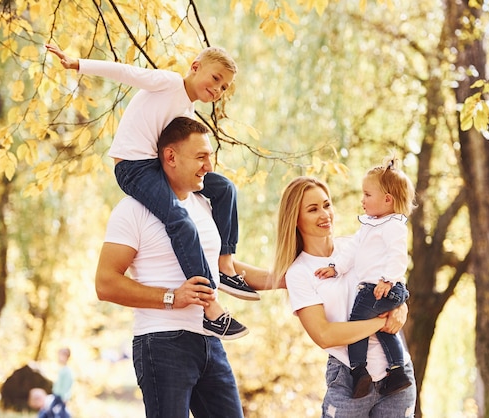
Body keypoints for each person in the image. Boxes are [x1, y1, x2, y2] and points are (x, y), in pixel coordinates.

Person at [46, 43, 259, 339]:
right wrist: (78, 63)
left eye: (224, 87)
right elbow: (126, 72)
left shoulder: (188, 111)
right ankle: (211, 308)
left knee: (224, 188)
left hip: (158, 167)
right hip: (134, 168)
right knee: (179, 221)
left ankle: (224, 264)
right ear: (195, 66)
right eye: (215, 79)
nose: (218, 89)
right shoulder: (170, 83)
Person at [94, 117, 272, 417]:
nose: (209, 166)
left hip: (209, 341)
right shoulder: (132, 210)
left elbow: (222, 269)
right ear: (171, 157)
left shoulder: (204, 205)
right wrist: (171, 297)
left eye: (210, 156)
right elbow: (105, 283)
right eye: (201, 157)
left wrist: (284, 278)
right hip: (162, 342)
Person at [273, 176, 416, 416]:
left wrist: (401, 307)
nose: (324, 214)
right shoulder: (299, 273)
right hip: (350, 377)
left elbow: (394, 280)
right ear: (295, 219)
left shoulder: (357, 245)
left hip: (397, 373)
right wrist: (382, 321)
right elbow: (325, 335)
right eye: (313, 209)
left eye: (327, 205)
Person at [314, 156, 416, 398]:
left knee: (357, 325)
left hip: (382, 287)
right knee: (382, 329)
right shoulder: (369, 225)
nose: (362, 200)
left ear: (387, 200)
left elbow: (399, 256)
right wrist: (336, 268)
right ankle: (397, 370)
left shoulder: (394, 226)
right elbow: (351, 250)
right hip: (378, 287)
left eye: (368, 195)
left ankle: (359, 370)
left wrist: (387, 279)